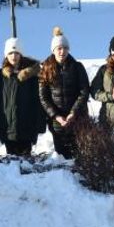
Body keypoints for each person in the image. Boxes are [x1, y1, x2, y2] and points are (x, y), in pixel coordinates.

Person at [0, 37, 46, 156]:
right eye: (10, 53)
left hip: (28, 126)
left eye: (16, 53)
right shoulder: (0, 76)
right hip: (7, 127)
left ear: (21, 54)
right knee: (11, 165)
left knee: (26, 163)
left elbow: (39, 100)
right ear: (6, 55)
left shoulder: (32, 75)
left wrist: (40, 123)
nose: (13, 56)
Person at [38, 27, 90, 159]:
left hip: (77, 118)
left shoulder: (77, 67)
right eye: (59, 48)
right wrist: (56, 116)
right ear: (53, 50)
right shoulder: (46, 69)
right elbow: (43, 97)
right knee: (61, 156)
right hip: (57, 120)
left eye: (65, 48)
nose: (62, 52)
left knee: (78, 155)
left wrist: (73, 113)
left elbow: (84, 92)